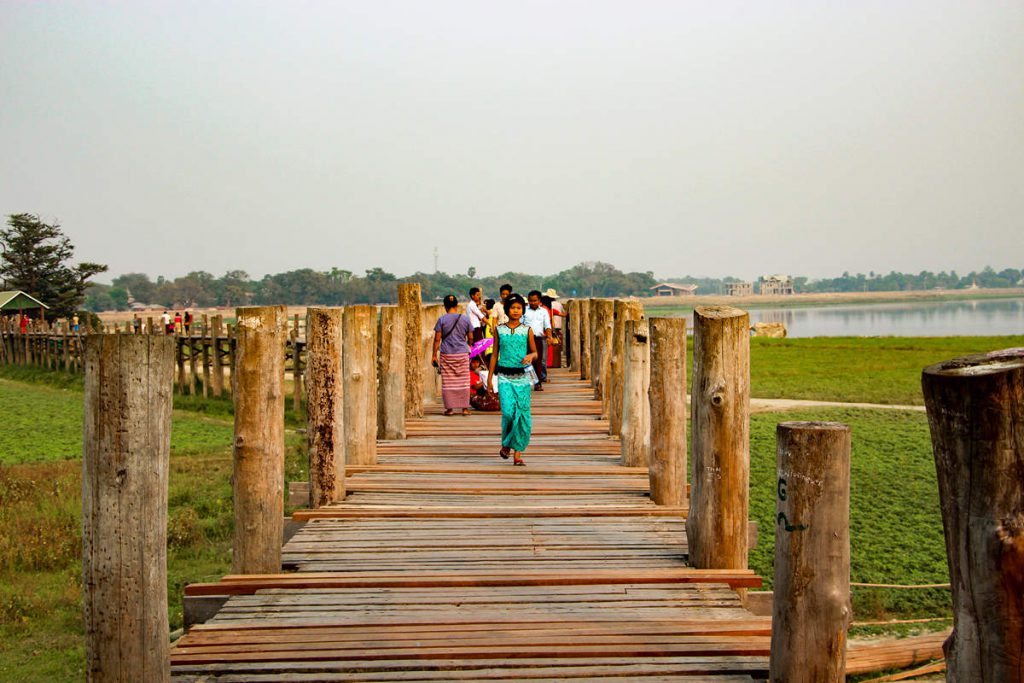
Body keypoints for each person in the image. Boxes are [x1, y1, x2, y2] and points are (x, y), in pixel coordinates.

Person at [488, 293, 537, 466]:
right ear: (507, 310)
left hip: (523, 378)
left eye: (518, 308)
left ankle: (517, 454)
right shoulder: (499, 329)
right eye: (512, 308)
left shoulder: (527, 330)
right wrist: (489, 378)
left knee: (522, 414)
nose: (515, 311)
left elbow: (535, 352)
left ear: (522, 310)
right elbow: (494, 355)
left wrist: (531, 356)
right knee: (508, 413)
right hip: (504, 377)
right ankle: (506, 443)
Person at [431, 294, 474, 416]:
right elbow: (470, 337)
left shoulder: (442, 320)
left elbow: (437, 339)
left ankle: (450, 409)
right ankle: (465, 409)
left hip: (447, 354)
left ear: (445, 306)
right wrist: (468, 346)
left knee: (448, 382)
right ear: (457, 305)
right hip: (462, 353)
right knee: (464, 381)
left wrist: (434, 355)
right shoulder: (465, 319)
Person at [522, 290, 554, 390]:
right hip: (526, 339)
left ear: (539, 300)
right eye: (531, 301)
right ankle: (526, 382)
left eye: (535, 300)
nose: (533, 303)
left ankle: (538, 383)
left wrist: (549, 337)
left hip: (539, 339)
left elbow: (547, 325)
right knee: (526, 360)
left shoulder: (543, 311)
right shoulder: (524, 310)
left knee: (539, 361)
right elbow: (520, 323)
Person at [542, 289, 565, 368]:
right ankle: (549, 363)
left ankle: (546, 364)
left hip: (542, 331)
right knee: (550, 348)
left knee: (544, 349)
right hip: (550, 330)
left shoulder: (542, 309)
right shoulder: (551, 309)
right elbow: (563, 314)